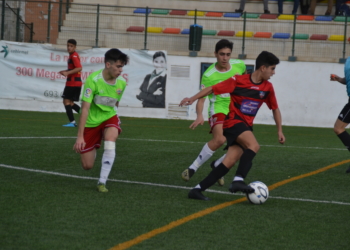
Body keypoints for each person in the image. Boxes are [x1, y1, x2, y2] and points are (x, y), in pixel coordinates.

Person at [180, 51, 285, 201]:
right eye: (272, 69)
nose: (273, 73)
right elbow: (212, 88)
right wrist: (192, 98)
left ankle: (197, 190)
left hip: (246, 126)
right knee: (254, 146)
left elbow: (275, 108)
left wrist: (279, 130)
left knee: (228, 162)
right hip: (232, 122)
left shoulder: (268, 88)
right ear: (263, 68)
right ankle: (238, 180)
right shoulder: (238, 80)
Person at [181, 39, 246, 186]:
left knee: (244, 146)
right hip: (218, 108)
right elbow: (202, 98)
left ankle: (218, 164)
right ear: (215, 54)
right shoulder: (209, 75)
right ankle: (192, 168)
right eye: (222, 54)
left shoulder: (239, 66)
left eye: (228, 54)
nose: (225, 58)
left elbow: (245, 83)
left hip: (235, 110)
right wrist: (199, 115)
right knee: (220, 140)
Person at [73, 48, 129, 192]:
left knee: (111, 138)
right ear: (108, 65)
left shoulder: (121, 83)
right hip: (92, 122)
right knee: (87, 166)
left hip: (109, 117)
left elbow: (116, 103)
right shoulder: (93, 80)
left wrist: (116, 120)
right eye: (118, 66)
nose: (121, 70)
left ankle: (102, 181)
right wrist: (79, 137)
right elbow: (84, 109)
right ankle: (95, 145)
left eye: (122, 66)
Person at [330, 58, 350, 173]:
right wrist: (338, 79)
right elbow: (347, 80)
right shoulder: (348, 60)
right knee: (338, 128)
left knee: (338, 128)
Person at [59, 39, 83, 127]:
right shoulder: (73, 55)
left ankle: (72, 122)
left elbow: (79, 68)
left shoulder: (74, 56)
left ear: (75, 47)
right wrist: (65, 71)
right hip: (74, 83)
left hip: (73, 83)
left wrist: (67, 73)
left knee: (66, 101)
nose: (69, 47)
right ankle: (86, 116)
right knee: (70, 103)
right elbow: (74, 69)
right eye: (68, 45)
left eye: (71, 46)